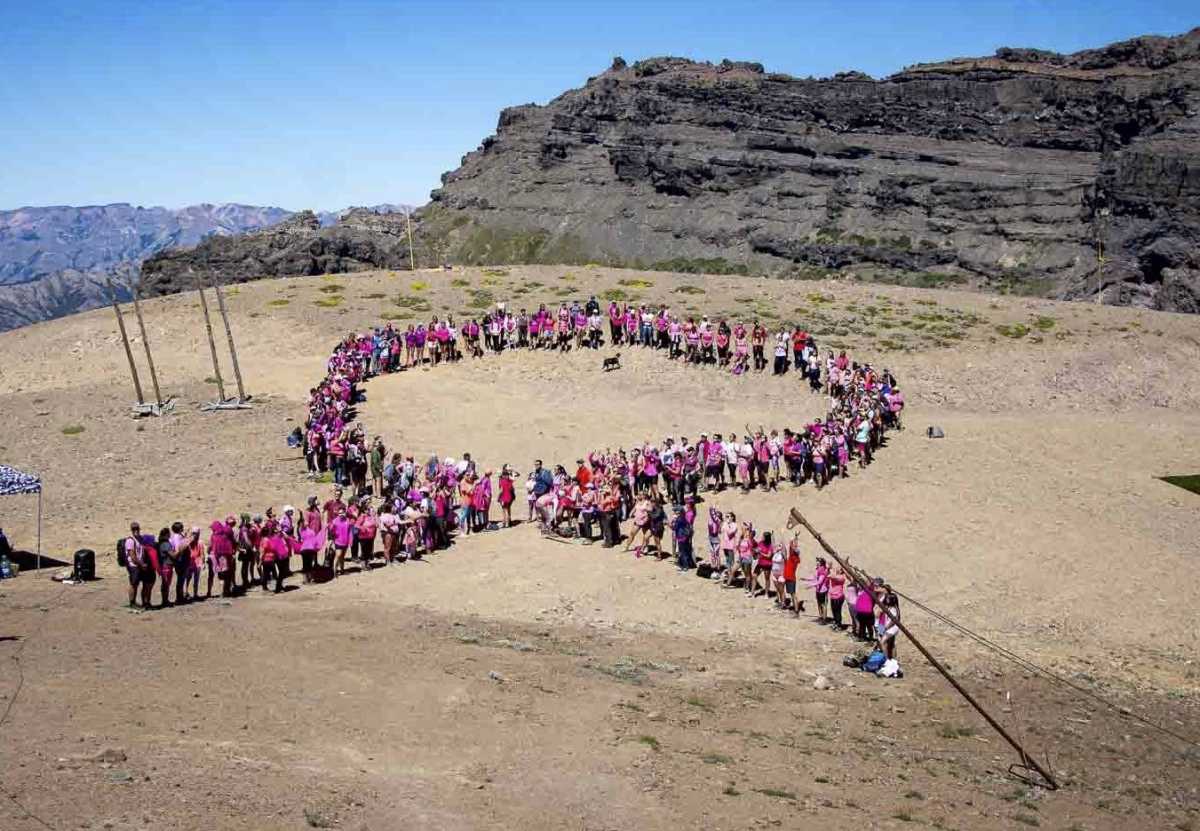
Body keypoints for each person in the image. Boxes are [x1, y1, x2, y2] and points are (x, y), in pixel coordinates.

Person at [672, 506, 694, 572]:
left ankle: (685, 566)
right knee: (685, 551)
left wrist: (669, 523)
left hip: (681, 537)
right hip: (685, 537)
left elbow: (674, 528)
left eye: (676, 512)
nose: (675, 513)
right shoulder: (684, 518)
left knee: (682, 552)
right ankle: (687, 564)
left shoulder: (679, 519)